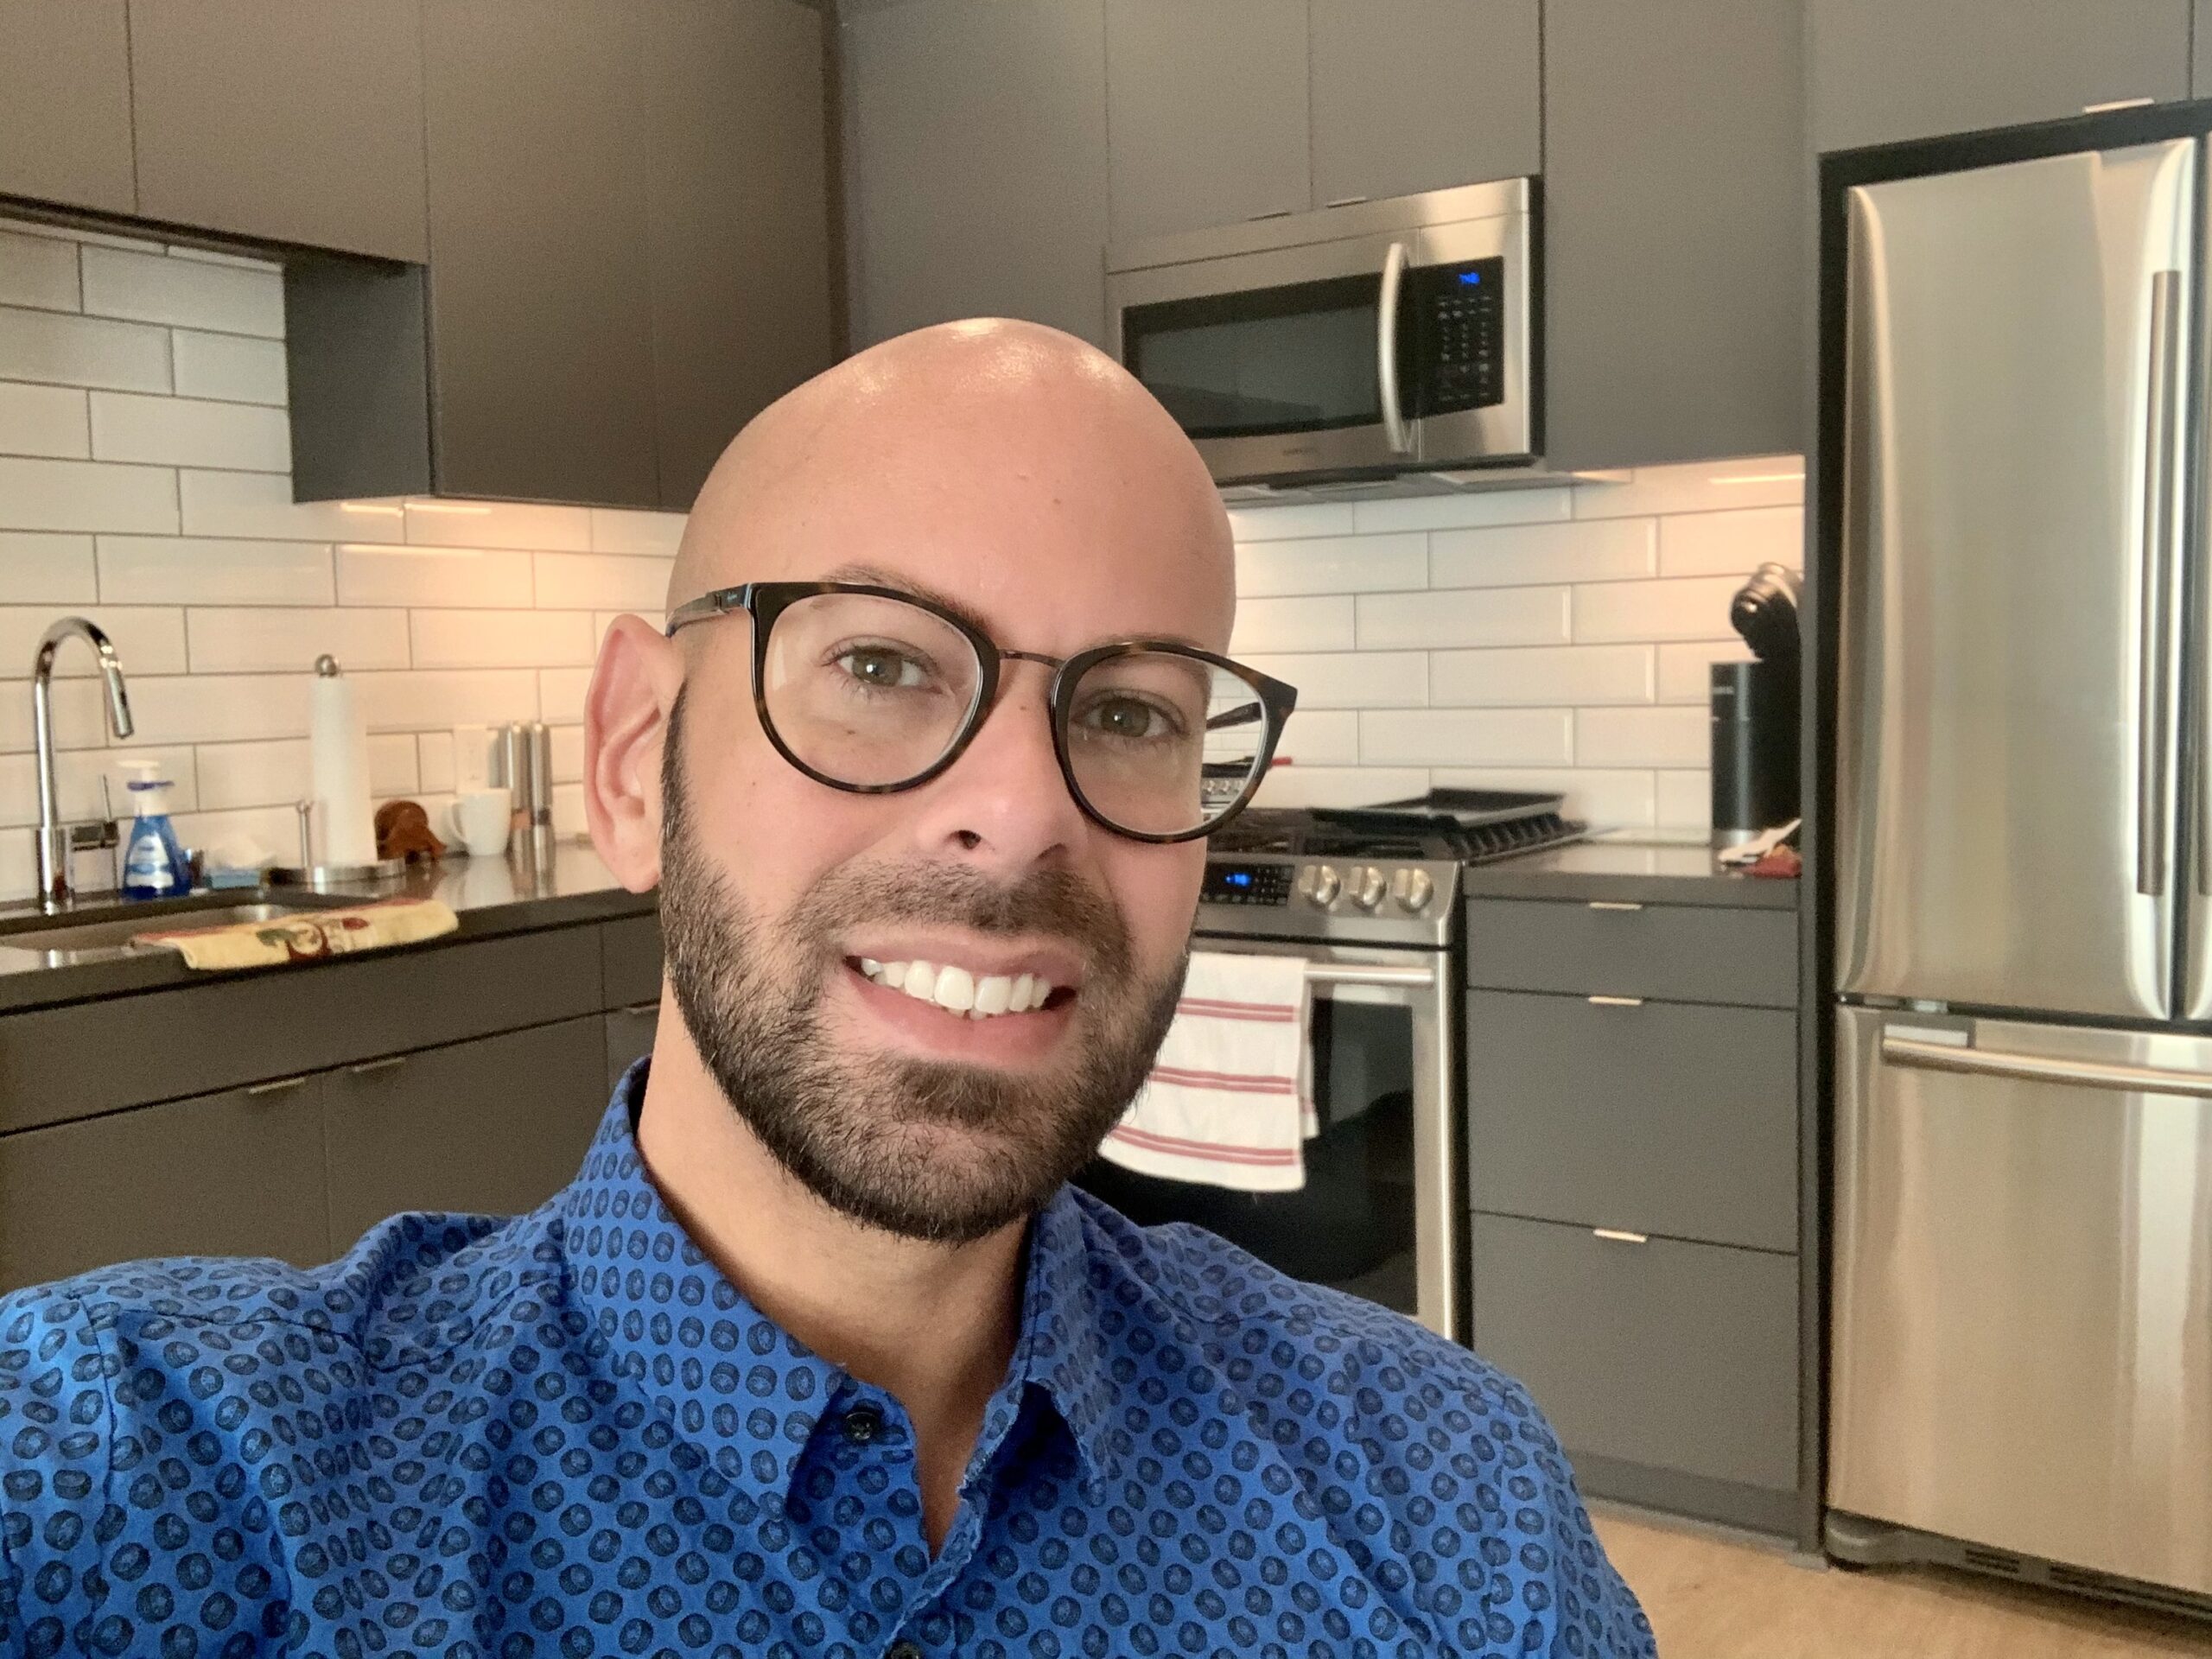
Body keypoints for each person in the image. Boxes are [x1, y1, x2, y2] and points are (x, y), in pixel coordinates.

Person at [0, 321, 1654, 1658]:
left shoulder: (1445, 1500)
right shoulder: (161, 1479)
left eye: (1136, 712)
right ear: (637, 758)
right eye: (876, 665)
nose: (1021, 811)